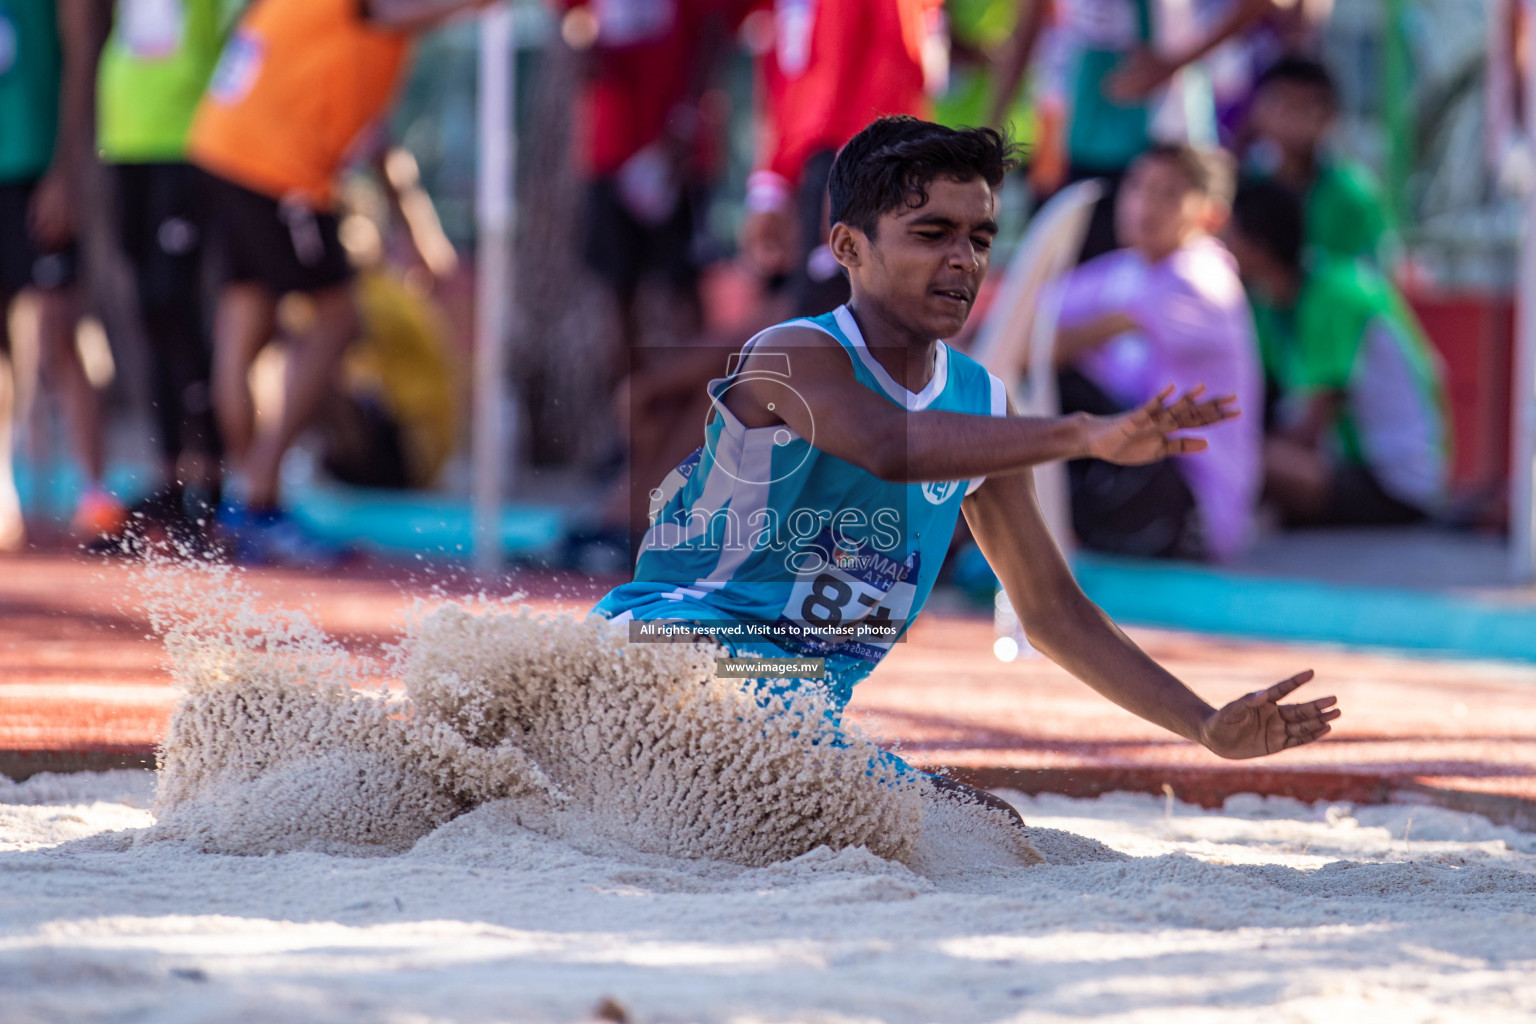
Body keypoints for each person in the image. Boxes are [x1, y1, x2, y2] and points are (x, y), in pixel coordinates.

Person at [594, 116, 1340, 820]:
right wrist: (1084, 433)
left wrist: (1206, 726)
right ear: (848, 247)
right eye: (933, 233)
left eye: (981, 237)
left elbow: (1051, 611)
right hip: (668, 656)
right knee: (862, 803)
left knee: (987, 828)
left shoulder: (982, 400)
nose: (964, 260)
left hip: (786, 712)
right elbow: (893, 446)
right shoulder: (796, 353)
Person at [185, 0, 489, 564]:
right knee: (335, 314)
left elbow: (376, 135)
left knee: (245, 317)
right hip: (275, 163)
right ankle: (256, 495)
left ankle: (248, 503)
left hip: (223, 146)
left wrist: (416, 226)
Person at [1052, 143, 1262, 562]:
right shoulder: (1126, 269)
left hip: (1189, 503)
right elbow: (1029, 314)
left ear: (1211, 215)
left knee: (1053, 390)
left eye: (1168, 193)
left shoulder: (1201, 278)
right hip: (1145, 472)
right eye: (1137, 187)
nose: (1144, 204)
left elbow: (1044, 345)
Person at [89, 0, 242, 545]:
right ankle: (170, 481)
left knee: (177, 304)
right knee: (151, 311)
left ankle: (212, 485)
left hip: (189, 140)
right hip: (127, 139)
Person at [1226, 178, 1448, 527]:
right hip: (1351, 465)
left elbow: (1309, 429)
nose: (1221, 248)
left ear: (1257, 246)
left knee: (1233, 454)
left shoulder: (1333, 297)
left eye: (1228, 236)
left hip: (1395, 484)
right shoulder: (1276, 301)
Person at [989, 0, 1276, 261]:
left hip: (1165, 137)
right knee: (1074, 267)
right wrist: (990, 128)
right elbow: (1028, 28)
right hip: (1078, 134)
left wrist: (1171, 65)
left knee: (1160, 263)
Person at [0, 0, 124, 549]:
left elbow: (84, 56)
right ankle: (5, 490)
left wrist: (68, 169)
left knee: (59, 332)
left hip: (38, 168)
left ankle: (94, 492)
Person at [739, 0, 942, 317]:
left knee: (848, 325)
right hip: (812, 163)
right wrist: (771, 185)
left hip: (857, 162)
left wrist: (853, 169)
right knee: (805, 317)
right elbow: (791, 78)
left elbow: (894, 63)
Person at [1244, 55, 1394, 266]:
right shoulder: (1244, 189)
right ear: (1258, 111)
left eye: (1306, 106)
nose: (1294, 117)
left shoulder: (1354, 196)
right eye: (1283, 103)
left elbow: (1375, 275)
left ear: (1331, 114)